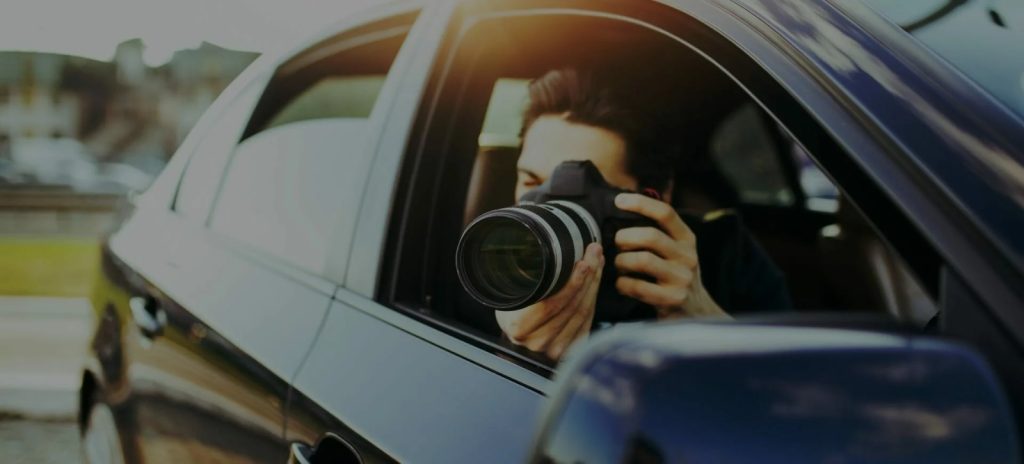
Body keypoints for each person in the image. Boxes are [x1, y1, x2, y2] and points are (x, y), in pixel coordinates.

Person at [495, 68, 790, 360]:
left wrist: (705, 324)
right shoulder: (492, 259)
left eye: (580, 196)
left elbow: (790, 381)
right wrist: (517, 348)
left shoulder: (725, 254)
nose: (548, 209)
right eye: (532, 183)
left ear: (657, 196)